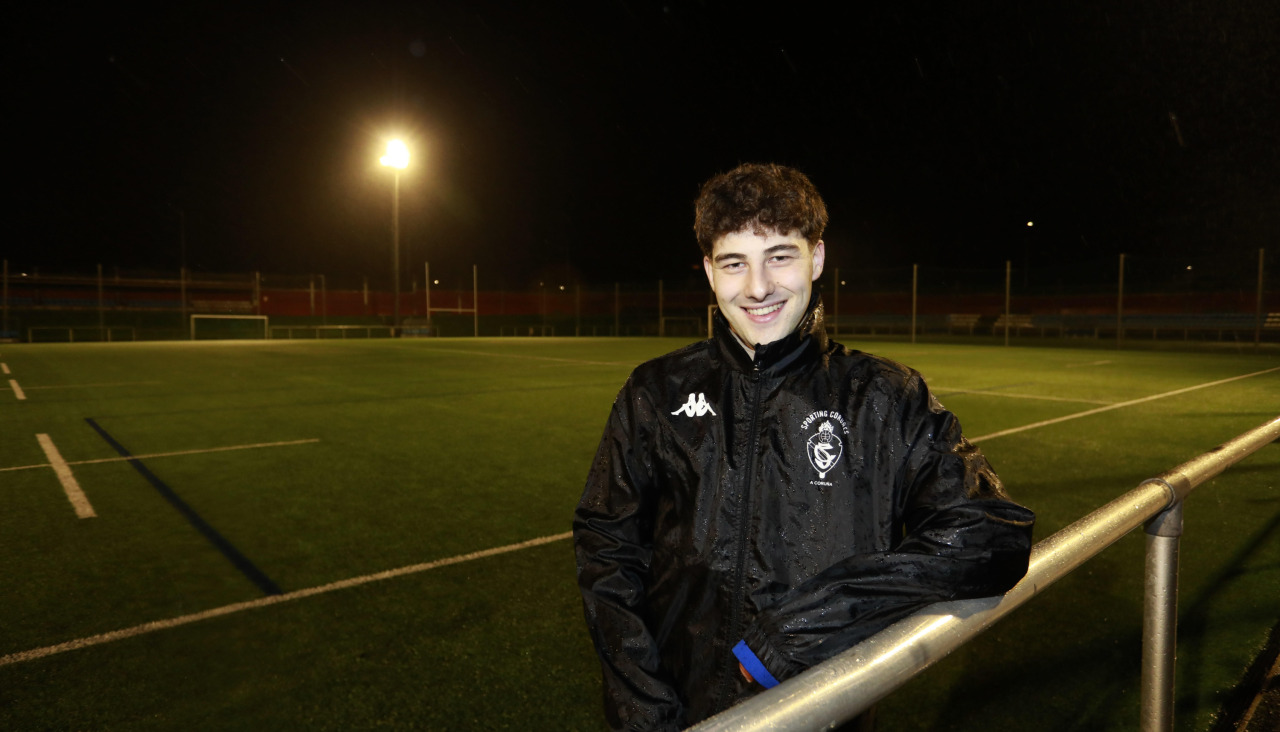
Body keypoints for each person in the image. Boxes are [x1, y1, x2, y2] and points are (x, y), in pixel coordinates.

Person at [573, 163, 1035, 731]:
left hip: (820, 714)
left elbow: (992, 532)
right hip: (674, 715)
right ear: (708, 272)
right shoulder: (656, 392)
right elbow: (607, 551)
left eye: (779, 257)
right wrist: (641, 707)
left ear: (816, 258)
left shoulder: (884, 398)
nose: (758, 287)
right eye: (734, 263)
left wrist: (810, 623)